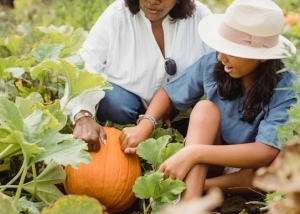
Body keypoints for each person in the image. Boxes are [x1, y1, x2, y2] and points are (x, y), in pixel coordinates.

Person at [119, 0, 298, 200]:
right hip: (214, 159)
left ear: (263, 56)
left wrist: (194, 153)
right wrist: (146, 124)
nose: (221, 57)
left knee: (284, 166)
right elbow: (168, 92)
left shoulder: (286, 86)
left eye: (231, 51)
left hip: (255, 170)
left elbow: (264, 152)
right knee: (204, 108)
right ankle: (190, 205)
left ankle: (200, 187)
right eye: (221, 48)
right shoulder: (214, 63)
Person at [62, 0, 212, 152]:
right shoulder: (116, 16)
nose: (153, 1)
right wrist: (82, 114)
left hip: (178, 112)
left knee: (201, 114)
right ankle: (133, 132)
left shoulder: (200, 18)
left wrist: (175, 101)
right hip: (127, 107)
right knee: (112, 102)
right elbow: (85, 64)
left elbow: (217, 68)